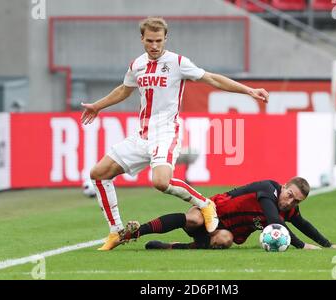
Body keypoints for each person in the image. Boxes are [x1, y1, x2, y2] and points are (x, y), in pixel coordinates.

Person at [81, 17, 270, 251]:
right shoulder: (136, 65)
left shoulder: (177, 62)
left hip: (166, 133)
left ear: (165, 39)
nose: (154, 46)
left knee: (160, 182)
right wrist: (98, 105)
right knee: (98, 173)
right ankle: (116, 231)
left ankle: (205, 204)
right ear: (142, 39)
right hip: (142, 135)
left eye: (159, 40)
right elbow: (123, 90)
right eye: (150, 41)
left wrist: (249, 90)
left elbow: (211, 78)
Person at [120, 177, 336, 250]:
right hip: (212, 212)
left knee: (225, 240)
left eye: (296, 201)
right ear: (284, 186)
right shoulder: (268, 190)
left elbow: (303, 223)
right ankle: (137, 232)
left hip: (225, 229)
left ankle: (173, 247)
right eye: (290, 195)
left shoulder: (290, 208)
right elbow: (275, 222)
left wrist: (327, 245)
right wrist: (302, 246)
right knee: (194, 218)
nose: (290, 202)